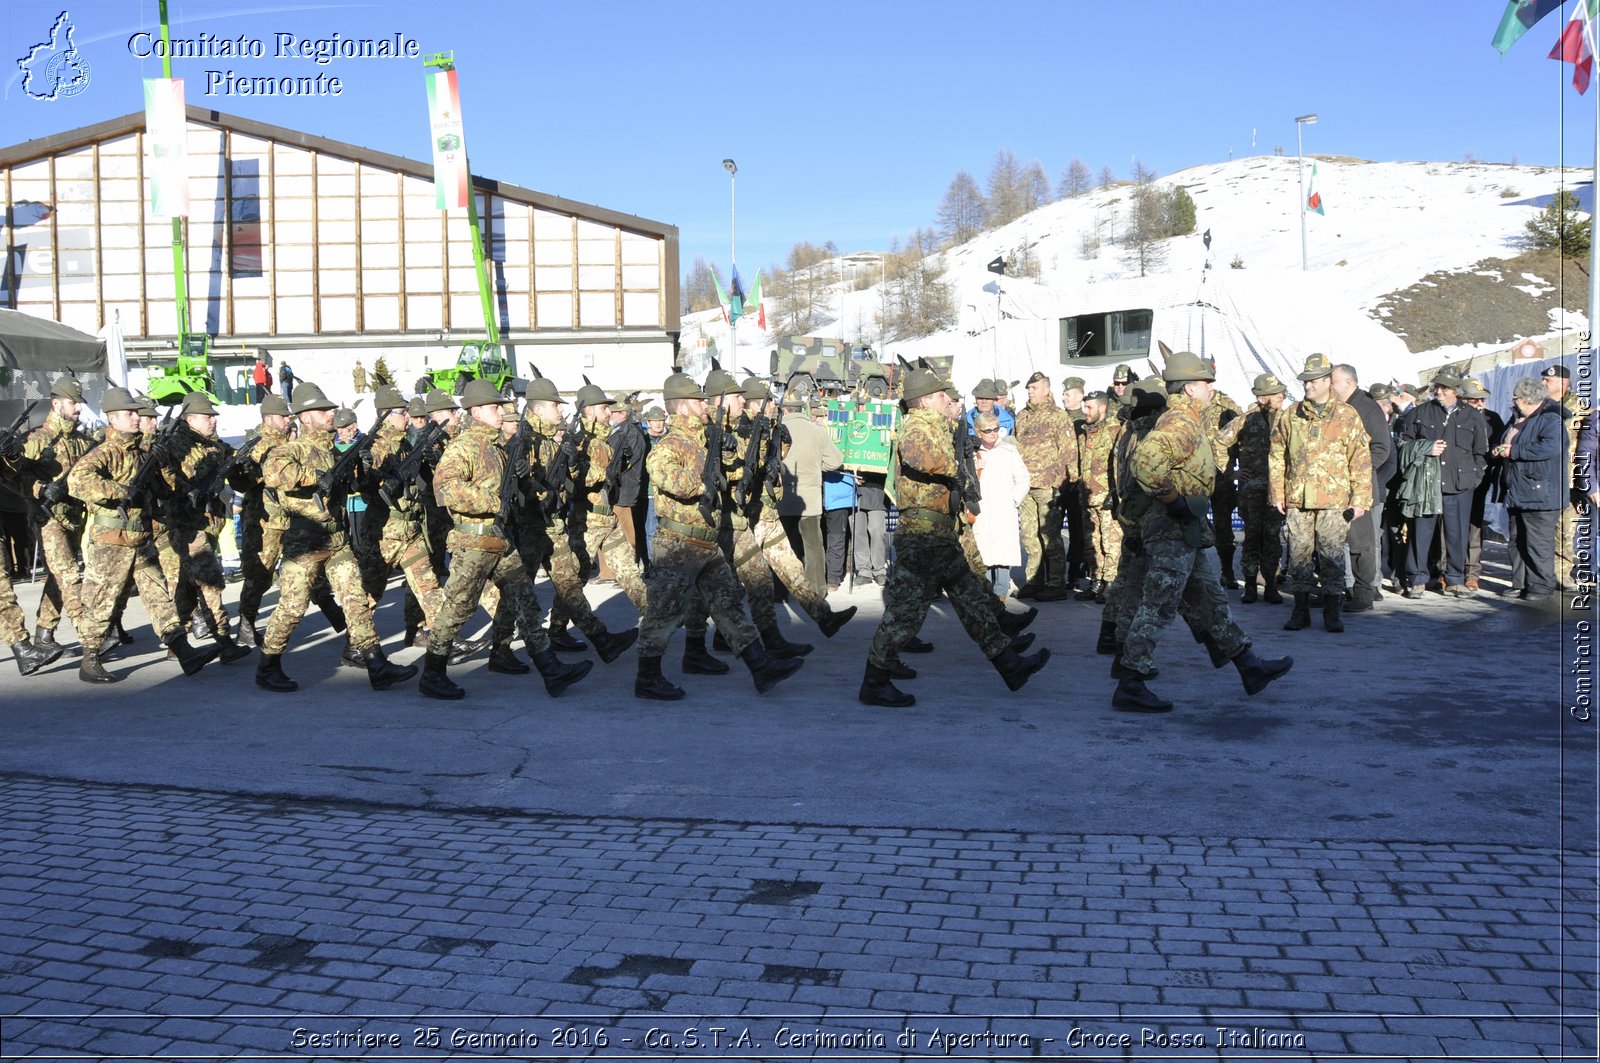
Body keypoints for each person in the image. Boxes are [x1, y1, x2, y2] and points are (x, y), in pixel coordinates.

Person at [859, 367, 1049, 708]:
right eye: (941, 396)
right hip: (921, 535)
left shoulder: (933, 427)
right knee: (905, 614)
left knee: (969, 596)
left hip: (938, 533)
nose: (948, 400)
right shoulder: (916, 427)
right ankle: (874, 681)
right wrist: (957, 466)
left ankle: (1009, 664)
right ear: (927, 399)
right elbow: (919, 456)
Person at [1113, 352, 1292, 713]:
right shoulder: (1180, 422)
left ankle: (1249, 665)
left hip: (1185, 529)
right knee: (1158, 605)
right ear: (1192, 388)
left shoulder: (1185, 419)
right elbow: (1145, 464)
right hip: (1171, 529)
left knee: (1210, 600)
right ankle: (1130, 680)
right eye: (1207, 383)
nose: (1212, 389)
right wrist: (1174, 500)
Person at [416, 380, 594, 699]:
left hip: (502, 541)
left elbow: (512, 493)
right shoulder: (464, 446)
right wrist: (493, 501)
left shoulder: (497, 448)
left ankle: (550, 669)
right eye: (495, 407)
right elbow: (447, 489)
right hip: (473, 543)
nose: (501, 412)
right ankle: (432, 673)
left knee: (526, 602)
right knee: (457, 609)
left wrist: (529, 483)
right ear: (477, 411)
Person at [634, 372, 804, 701]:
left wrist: (726, 454)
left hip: (706, 543)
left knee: (728, 603)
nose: (704, 406)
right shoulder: (670, 445)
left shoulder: (702, 440)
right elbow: (669, 478)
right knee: (664, 612)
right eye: (698, 401)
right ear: (682, 408)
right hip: (678, 545)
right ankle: (647, 677)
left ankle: (760, 666)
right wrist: (704, 483)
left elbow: (730, 471)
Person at [253, 382, 417, 694]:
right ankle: (268, 665)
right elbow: (275, 475)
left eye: (330, 409)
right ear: (304, 418)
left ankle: (375, 662)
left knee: (355, 600)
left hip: (337, 540)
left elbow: (357, 486)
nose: (330, 414)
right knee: (292, 607)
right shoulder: (291, 451)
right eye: (322, 410)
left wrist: (363, 472)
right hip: (305, 540)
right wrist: (317, 478)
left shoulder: (335, 451)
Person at [65, 388, 221, 684]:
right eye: (130, 413)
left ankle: (184, 651)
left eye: (137, 413)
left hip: (140, 540)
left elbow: (167, 490)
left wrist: (163, 464)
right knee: (101, 602)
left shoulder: (142, 452)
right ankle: (90, 659)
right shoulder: (104, 452)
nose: (137, 418)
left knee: (160, 597)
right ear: (112, 418)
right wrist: (120, 491)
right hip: (111, 540)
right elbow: (77, 482)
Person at [1269, 354, 1373, 634]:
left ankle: (1331, 611)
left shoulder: (1347, 415)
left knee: (1331, 556)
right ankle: (1300, 610)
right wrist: (1277, 492)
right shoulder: (1291, 414)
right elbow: (1277, 455)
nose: (1308, 386)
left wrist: (1361, 500)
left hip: (1333, 501)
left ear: (1328, 381)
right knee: (1299, 555)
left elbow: (1360, 459)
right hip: (1298, 499)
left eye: (1313, 381)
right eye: (1305, 381)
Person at [18, 377, 92, 655]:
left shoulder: (81, 440)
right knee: (69, 576)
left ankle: (44, 635)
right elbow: (13, 476)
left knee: (57, 577)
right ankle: (91, 637)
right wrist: (40, 489)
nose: (78, 409)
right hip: (47, 518)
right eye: (73, 403)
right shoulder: (37, 440)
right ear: (57, 403)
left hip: (74, 516)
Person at [1398, 373, 1487, 598]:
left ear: (1456, 391)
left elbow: (1480, 452)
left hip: (1460, 485)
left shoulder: (1472, 416)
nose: (1439, 391)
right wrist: (1425, 447)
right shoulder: (1420, 412)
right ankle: (1418, 579)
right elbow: (1403, 443)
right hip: (1427, 483)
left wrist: (1474, 478)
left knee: (1457, 534)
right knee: (1421, 531)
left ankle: (1455, 579)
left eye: (1445, 388)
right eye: (1437, 387)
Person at [1498, 376, 1571, 600]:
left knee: (1538, 542)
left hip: (1541, 492)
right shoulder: (1519, 417)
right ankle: (1520, 582)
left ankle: (1540, 585)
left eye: (1516, 397)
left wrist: (1513, 451)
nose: (1514, 401)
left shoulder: (1551, 419)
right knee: (1517, 539)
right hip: (1518, 489)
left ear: (1528, 399)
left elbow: (1550, 447)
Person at [1330, 363, 1395, 611]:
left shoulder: (1368, 409)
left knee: (1361, 544)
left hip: (1360, 489)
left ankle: (1364, 593)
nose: (1330, 386)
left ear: (1348, 382)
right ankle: (1340, 589)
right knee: (1336, 542)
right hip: (1334, 489)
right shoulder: (1337, 408)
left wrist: (1357, 473)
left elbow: (1381, 449)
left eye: (1333, 382)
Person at [1012, 370, 1076, 601]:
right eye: (1028, 388)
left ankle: (1056, 582)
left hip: (1048, 485)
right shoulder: (1022, 416)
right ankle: (1034, 580)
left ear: (1047, 390)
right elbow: (1014, 446)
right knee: (1029, 535)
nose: (1030, 392)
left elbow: (1069, 451)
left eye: (1035, 388)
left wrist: (1065, 484)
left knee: (1050, 535)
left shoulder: (1058, 416)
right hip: (1025, 485)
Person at [777, 394, 843, 597]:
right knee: (813, 546)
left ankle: (781, 590)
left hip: (782, 497)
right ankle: (818, 589)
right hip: (810, 500)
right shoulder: (817, 431)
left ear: (785, 410)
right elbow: (836, 461)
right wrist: (817, 466)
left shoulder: (776, 431)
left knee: (784, 547)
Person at [1236, 374, 1288, 605]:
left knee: (1272, 538)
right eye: (1275, 393)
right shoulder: (1246, 419)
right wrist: (1231, 472)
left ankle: (1271, 584)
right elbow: (1218, 441)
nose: (1281, 396)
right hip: (1252, 489)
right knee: (1252, 537)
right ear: (1261, 397)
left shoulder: (1289, 419)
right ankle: (1249, 585)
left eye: (1281, 392)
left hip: (1277, 491)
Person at [972, 410, 1030, 599]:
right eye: (987, 430)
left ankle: (1001, 599)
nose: (993, 433)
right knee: (985, 557)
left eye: (996, 429)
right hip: (982, 513)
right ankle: (989, 600)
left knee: (1003, 559)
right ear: (978, 432)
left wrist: (1013, 499)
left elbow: (1023, 479)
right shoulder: (972, 454)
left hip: (1004, 512)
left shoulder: (1009, 452)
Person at [1542, 364, 1589, 587]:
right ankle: (1543, 573)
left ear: (1563, 383)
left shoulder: (1581, 408)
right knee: (1543, 527)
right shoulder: (1539, 406)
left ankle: (1562, 573)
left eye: (1547, 381)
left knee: (1566, 528)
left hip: (1571, 478)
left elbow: (1590, 444)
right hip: (1544, 476)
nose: (1543, 384)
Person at [1075, 391, 1123, 602]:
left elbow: (1119, 465)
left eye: (1089, 407)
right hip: (1088, 496)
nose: (1085, 412)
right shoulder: (1086, 432)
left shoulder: (1115, 430)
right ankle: (1096, 581)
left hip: (1106, 497)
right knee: (1092, 542)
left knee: (1110, 541)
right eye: (1085, 407)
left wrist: (1115, 493)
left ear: (1102, 408)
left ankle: (1111, 583)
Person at [1458, 379, 1505, 595]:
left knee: (1474, 525)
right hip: (1453, 478)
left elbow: (1499, 442)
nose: (1480, 403)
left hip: (1479, 478)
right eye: (1475, 399)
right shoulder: (1453, 416)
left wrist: (1492, 454)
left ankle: (1472, 573)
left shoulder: (1491, 418)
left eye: (1483, 398)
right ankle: (1447, 570)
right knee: (1447, 526)